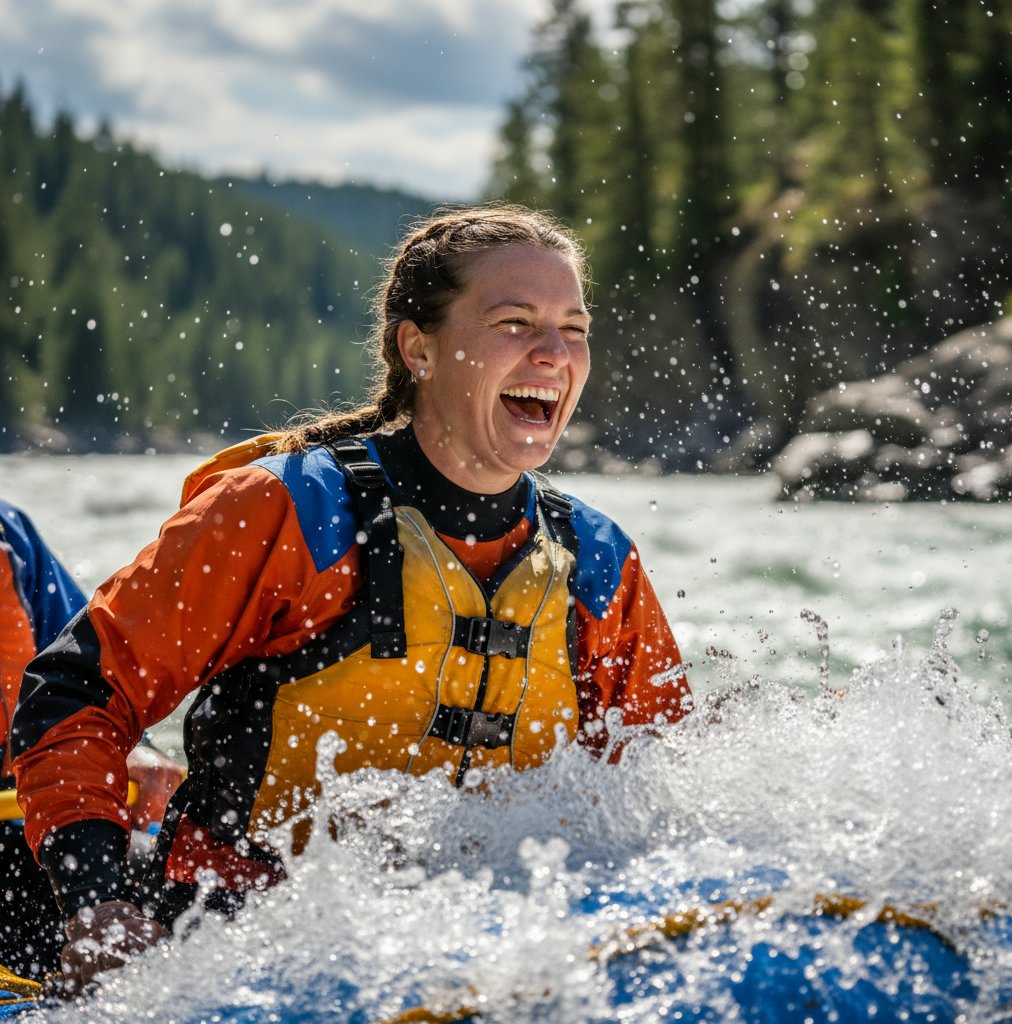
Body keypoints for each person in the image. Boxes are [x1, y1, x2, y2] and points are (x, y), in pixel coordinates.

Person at [12, 204, 692, 993]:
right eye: (515, 322)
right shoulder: (285, 510)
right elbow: (78, 691)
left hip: (502, 950)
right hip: (248, 950)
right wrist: (97, 909)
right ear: (419, 349)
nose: (553, 353)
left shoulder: (598, 561)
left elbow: (660, 784)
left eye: (573, 329)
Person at [0, 498, 183, 981]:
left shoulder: (8, 532)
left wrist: (135, 754)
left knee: (188, 893)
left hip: (21, 830)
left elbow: (83, 680)